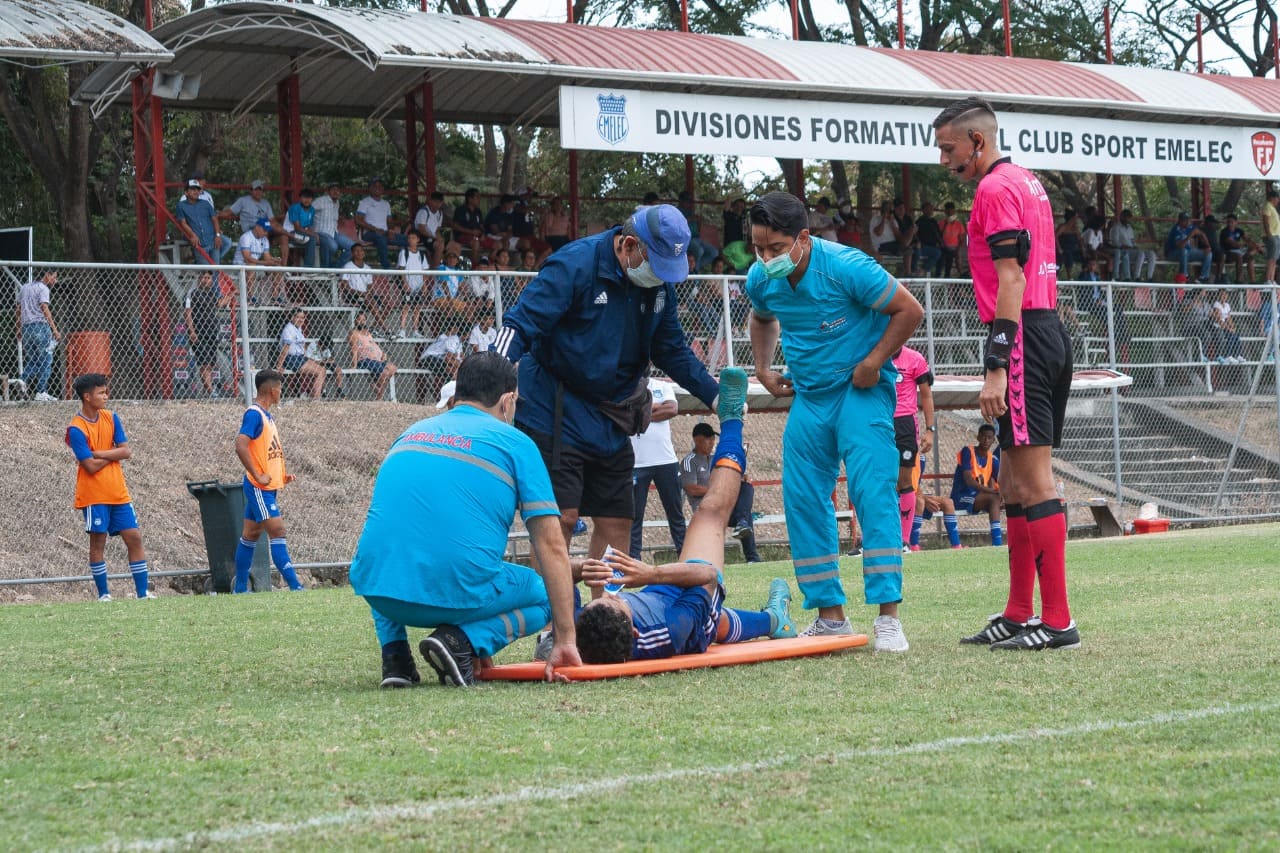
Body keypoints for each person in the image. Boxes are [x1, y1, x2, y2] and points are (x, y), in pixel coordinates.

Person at [495, 203, 722, 569]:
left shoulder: (659, 286)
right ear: (629, 245)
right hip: (555, 406)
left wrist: (714, 395)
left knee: (618, 519)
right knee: (561, 518)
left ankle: (606, 616)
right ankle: (553, 621)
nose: (660, 277)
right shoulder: (575, 264)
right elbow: (520, 324)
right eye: (656, 266)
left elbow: (671, 350)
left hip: (613, 413)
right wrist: (492, 375)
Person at [746, 191, 923, 651]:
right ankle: (830, 617)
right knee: (802, 496)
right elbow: (762, 318)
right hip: (810, 397)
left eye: (776, 249)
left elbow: (910, 310)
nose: (766, 259)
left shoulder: (847, 267)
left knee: (871, 489)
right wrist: (763, 368)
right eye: (758, 250)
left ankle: (888, 617)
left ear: (803, 238)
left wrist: (874, 361)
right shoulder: (761, 279)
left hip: (860, 391)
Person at [934, 95, 1079, 651]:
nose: (946, 162)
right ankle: (1020, 612)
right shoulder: (1026, 181)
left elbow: (1011, 280)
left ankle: (1058, 621)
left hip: (1020, 336)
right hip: (1044, 330)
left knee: (1034, 482)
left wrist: (996, 365)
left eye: (950, 149)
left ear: (977, 141)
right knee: (1015, 484)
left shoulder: (994, 188)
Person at [348, 351, 583, 687]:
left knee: (392, 550)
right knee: (545, 593)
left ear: (457, 394)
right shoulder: (517, 444)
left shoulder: (411, 432)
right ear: (507, 402)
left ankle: (396, 659)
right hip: (454, 596)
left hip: (380, 592)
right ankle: (459, 642)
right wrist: (565, 640)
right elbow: (550, 545)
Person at [568, 397, 797, 664]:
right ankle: (732, 420)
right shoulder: (669, 630)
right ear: (634, 632)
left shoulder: (581, 628)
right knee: (710, 512)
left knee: (723, 622)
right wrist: (651, 574)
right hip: (694, 612)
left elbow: (556, 573)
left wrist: (584, 568)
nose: (610, 595)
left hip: (661, 598)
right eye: (618, 603)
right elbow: (707, 577)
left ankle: (773, 620)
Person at [65, 373, 153, 602]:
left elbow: (126, 450)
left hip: (118, 492)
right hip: (94, 495)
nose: (106, 396)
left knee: (134, 537)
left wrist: (101, 452)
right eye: (101, 393)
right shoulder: (76, 428)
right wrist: (114, 455)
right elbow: (91, 467)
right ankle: (104, 594)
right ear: (87, 397)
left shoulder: (111, 417)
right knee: (98, 542)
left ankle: (143, 594)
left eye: (106, 391)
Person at [233, 370, 306, 593]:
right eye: (280, 388)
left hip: (268, 487)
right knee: (278, 531)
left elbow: (266, 452)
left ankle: (240, 589)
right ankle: (296, 586)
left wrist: (281, 474)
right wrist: (257, 475)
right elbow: (240, 445)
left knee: (250, 535)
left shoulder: (267, 416)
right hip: (259, 488)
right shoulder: (254, 414)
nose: (281, 392)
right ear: (272, 390)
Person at [680, 421, 761, 563]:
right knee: (745, 515)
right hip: (706, 509)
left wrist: (740, 479)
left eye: (713, 439)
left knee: (746, 487)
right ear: (697, 440)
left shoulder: (715, 459)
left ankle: (742, 523)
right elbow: (691, 489)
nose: (712, 442)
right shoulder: (689, 461)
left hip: (724, 505)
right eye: (708, 439)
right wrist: (717, 490)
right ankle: (752, 557)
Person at [628, 376, 687, 559]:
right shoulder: (625, 386)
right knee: (635, 517)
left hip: (665, 461)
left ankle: (686, 556)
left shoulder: (663, 386)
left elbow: (672, 409)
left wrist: (641, 416)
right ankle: (634, 560)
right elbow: (625, 415)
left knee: (675, 513)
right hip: (636, 463)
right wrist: (653, 408)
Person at [891, 345, 936, 550]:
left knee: (904, 480)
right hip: (878, 422)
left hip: (905, 425)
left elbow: (926, 396)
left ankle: (904, 540)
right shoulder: (872, 352)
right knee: (877, 481)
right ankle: (873, 539)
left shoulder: (915, 359)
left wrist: (930, 429)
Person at [950, 423, 1004, 546]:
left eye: (989, 438)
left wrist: (1005, 494)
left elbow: (1001, 480)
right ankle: (997, 542)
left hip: (979, 497)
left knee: (1002, 499)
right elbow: (969, 480)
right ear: (978, 437)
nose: (986, 440)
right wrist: (992, 491)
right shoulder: (967, 451)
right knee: (994, 498)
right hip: (961, 496)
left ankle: (1002, 541)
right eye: (983, 437)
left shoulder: (992, 459)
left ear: (993, 440)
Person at [15, 268, 62, 402]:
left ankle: (22, 379)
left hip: (26, 328)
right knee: (46, 360)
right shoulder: (43, 288)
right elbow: (44, 308)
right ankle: (41, 391)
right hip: (41, 327)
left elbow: (18, 309)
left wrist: (18, 329)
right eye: (54, 276)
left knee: (35, 361)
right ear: (47, 275)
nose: (55, 280)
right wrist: (54, 330)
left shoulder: (24, 288)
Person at [184, 270, 233, 397]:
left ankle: (208, 391)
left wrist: (232, 293)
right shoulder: (192, 293)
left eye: (208, 278)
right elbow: (188, 313)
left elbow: (220, 304)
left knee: (210, 363)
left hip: (212, 333)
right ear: (199, 279)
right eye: (203, 277)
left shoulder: (211, 293)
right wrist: (192, 331)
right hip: (199, 333)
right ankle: (211, 391)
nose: (206, 280)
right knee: (204, 362)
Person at [908, 456, 963, 550]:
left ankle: (957, 546)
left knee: (948, 503)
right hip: (896, 497)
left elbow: (915, 484)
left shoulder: (921, 458)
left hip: (914, 495)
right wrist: (923, 498)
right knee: (919, 502)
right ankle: (913, 546)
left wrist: (923, 497)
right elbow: (903, 484)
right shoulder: (904, 453)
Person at [175, 178, 231, 264]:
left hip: (213, 240)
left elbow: (215, 219)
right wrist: (193, 235)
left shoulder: (205, 203)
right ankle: (199, 264)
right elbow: (183, 223)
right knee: (206, 272)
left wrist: (218, 235)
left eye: (197, 189)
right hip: (199, 243)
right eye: (193, 189)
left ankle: (200, 264)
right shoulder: (181, 206)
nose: (196, 191)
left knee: (215, 268)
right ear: (186, 192)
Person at [275, 308, 327, 399]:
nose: (301, 320)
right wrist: (279, 365)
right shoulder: (289, 329)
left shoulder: (298, 328)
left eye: (302, 318)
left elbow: (301, 347)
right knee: (320, 371)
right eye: (298, 317)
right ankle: (316, 399)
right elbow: (286, 348)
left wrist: (310, 358)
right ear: (292, 317)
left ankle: (315, 396)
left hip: (300, 357)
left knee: (322, 369)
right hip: (291, 358)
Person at [356, 177, 404, 269]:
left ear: (383, 189)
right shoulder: (365, 202)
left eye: (380, 186)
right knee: (381, 238)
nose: (378, 188)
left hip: (385, 233)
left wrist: (391, 230)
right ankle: (387, 270)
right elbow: (358, 220)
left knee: (408, 240)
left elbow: (389, 221)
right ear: (370, 188)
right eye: (375, 186)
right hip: (369, 234)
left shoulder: (386, 204)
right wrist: (375, 229)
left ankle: (402, 268)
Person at [348, 311, 397, 400]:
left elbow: (373, 345)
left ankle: (376, 388)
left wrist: (382, 353)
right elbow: (354, 349)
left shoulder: (368, 333)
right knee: (386, 372)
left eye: (364, 320)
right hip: (365, 360)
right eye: (359, 320)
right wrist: (354, 365)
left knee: (393, 368)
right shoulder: (354, 333)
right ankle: (379, 396)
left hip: (377, 360)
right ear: (355, 321)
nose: (362, 322)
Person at [237, 217, 285, 304]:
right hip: (240, 267)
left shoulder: (265, 239)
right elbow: (247, 258)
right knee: (251, 265)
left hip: (255, 266)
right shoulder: (246, 237)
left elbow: (267, 257)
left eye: (267, 230)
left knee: (277, 267)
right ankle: (250, 297)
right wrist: (265, 262)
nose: (266, 232)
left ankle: (274, 296)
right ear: (257, 227)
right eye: (264, 230)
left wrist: (274, 260)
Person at [312, 182, 355, 269]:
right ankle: (325, 268)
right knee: (333, 246)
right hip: (320, 232)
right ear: (328, 191)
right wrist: (309, 229)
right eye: (333, 190)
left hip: (334, 232)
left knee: (353, 247)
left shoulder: (337, 203)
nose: (336, 192)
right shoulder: (320, 201)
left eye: (338, 190)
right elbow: (308, 211)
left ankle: (334, 268)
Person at [396, 231, 430, 340]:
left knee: (417, 308)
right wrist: (405, 283)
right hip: (408, 284)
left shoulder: (421, 255)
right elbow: (401, 269)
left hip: (418, 285)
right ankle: (402, 330)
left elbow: (425, 272)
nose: (411, 240)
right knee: (406, 307)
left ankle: (415, 330)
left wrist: (424, 286)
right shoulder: (404, 252)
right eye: (409, 238)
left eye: (413, 238)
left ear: (418, 240)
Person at [1164, 212, 1213, 284]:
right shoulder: (1176, 229)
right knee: (1184, 250)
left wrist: (1208, 246)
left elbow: (1202, 234)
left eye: (1188, 220)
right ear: (1179, 221)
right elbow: (1180, 246)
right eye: (1185, 220)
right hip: (1172, 254)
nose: (1187, 222)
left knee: (1208, 254)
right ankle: (1184, 276)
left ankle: (1203, 278)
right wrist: (1190, 236)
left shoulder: (1190, 227)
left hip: (1187, 253)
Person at [283, 187, 318, 267]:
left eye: (309, 197)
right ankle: (308, 270)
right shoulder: (295, 208)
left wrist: (313, 234)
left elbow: (308, 226)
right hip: (290, 234)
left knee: (321, 241)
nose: (307, 200)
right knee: (311, 239)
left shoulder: (312, 210)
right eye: (304, 197)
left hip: (301, 234)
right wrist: (313, 234)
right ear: (300, 198)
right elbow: (297, 228)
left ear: (312, 199)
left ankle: (323, 270)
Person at [1219, 214, 1257, 284]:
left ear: (1236, 222)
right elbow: (1232, 243)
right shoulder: (1224, 232)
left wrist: (1256, 247)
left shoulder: (1239, 230)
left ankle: (1253, 281)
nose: (1230, 224)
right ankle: (1238, 280)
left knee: (1250, 257)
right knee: (1238, 256)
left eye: (1232, 222)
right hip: (1227, 254)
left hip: (1239, 252)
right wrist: (1245, 245)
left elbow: (1248, 240)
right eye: (1228, 222)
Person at [1210, 288, 1245, 363]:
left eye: (1225, 295)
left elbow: (1229, 318)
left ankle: (1237, 355)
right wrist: (1229, 328)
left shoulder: (1227, 305)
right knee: (1230, 336)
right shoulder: (1216, 304)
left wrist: (1233, 327)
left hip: (1226, 327)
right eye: (1222, 295)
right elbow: (1219, 320)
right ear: (1219, 296)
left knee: (1236, 335)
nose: (1224, 296)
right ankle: (1228, 355)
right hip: (1219, 327)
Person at [413, 191, 447, 265]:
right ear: (430, 201)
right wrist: (434, 237)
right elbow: (421, 229)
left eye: (439, 202)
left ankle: (440, 267)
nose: (437, 204)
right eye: (435, 202)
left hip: (432, 237)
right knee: (439, 246)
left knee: (445, 244)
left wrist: (440, 238)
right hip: (421, 236)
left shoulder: (440, 214)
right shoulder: (423, 211)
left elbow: (437, 230)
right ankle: (434, 271)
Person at [914, 201, 944, 277]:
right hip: (922, 247)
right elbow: (915, 234)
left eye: (931, 209)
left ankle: (926, 270)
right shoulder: (919, 221)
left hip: (933, 247)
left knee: (941, 253)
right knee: (916, 254)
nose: (930, 211)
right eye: (927, 209)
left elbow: (938, 234)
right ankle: (914, 272)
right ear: (923, 210)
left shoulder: (933, 221)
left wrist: (940, 243)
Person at [941, 202, 966, 278]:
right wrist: (946, 224)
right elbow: (939, 236)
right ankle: (946, 275)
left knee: (957, 254)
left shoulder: (959, 224)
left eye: (951, 211)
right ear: (945, 212)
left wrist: (958, 248)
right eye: (948, 211)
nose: (949, 213)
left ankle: (962, 274)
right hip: (944, 247)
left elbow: (962, 239)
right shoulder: (941, 223)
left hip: (955, 247)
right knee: (947, 255)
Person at [1262, 189, 1280, 286]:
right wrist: (1269, 234)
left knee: (1274, 259)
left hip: (1276, 236)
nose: (1278, 201)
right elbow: (1266, 221)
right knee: (1271, 258)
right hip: (1271, 235)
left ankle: (1272, 279)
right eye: (1277, 198)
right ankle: (1268, 279)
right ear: (1273, 198)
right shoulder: (1268, 206)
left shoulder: (1272, 208)